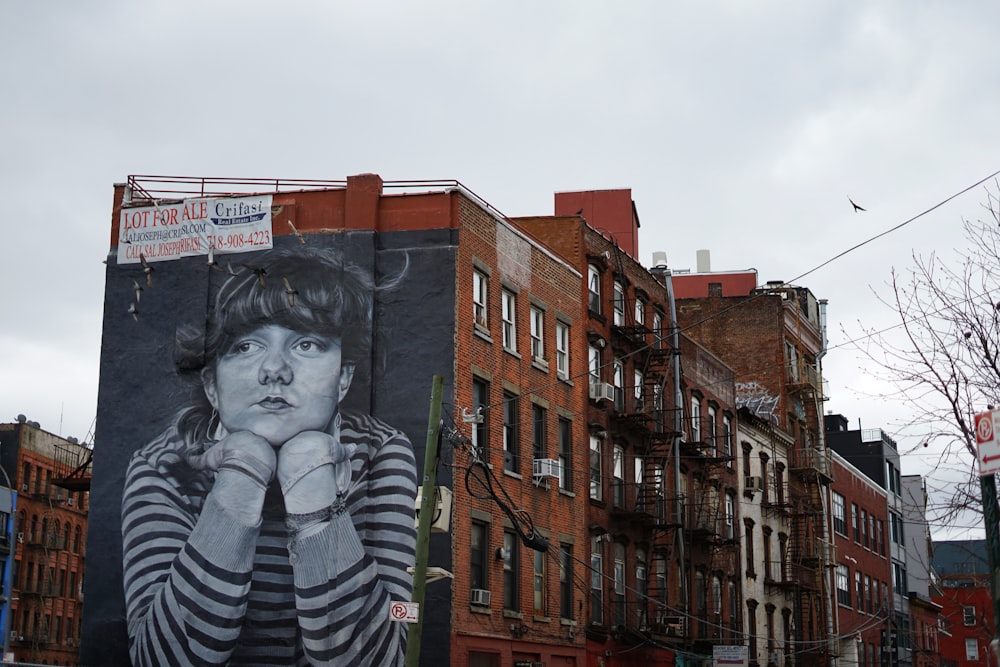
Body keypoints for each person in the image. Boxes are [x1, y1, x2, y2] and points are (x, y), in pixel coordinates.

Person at [121, 245, 417, 666]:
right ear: (211, 387)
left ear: (344, 379)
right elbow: (161, 660)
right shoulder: (165, 467)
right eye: (245, 347)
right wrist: (242, 473)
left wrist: (310, 483)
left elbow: (380, 660)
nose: (273, 370)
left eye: (307, 344)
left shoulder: (380, 453)